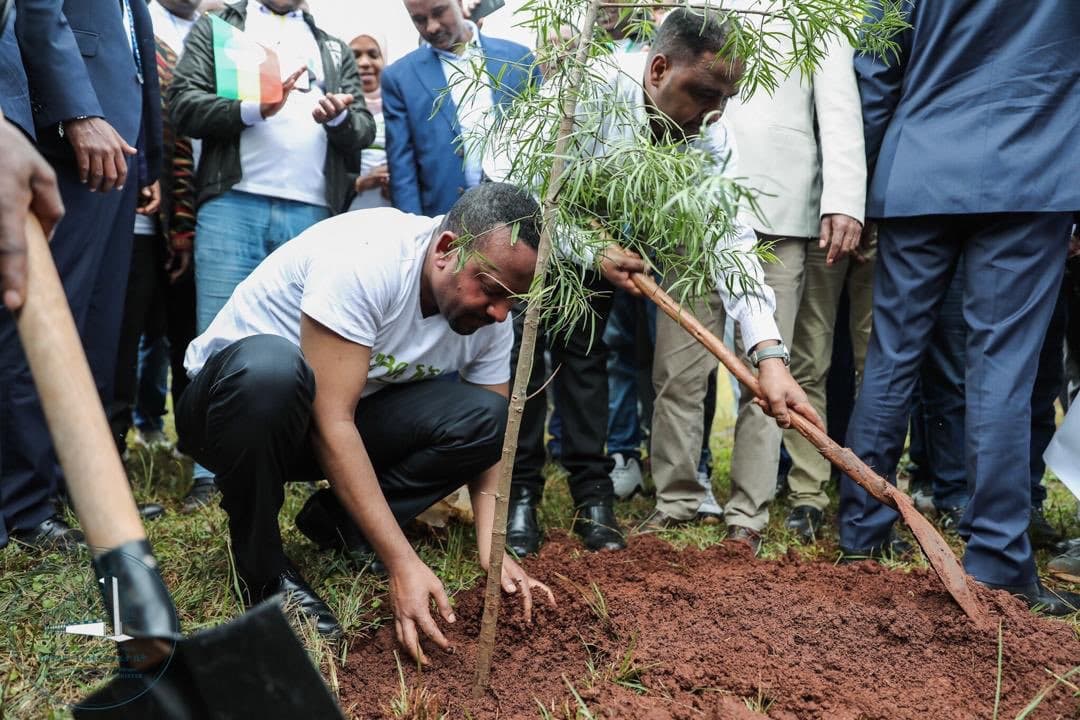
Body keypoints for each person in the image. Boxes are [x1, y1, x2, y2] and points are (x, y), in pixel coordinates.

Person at [491, 8, 821, 558]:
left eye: (725, 98)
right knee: (523, 357)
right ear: (659, 68)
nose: (714, 112)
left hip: (601, 248)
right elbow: (518, 184)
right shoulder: (586, 92)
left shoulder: (709, 133)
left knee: (586, 357)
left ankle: (591, 491)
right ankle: (520, 488)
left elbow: (730, 243)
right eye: (705, 92)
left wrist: (769, 355)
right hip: (530, 236)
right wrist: (588, 247)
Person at [175, 182, 553, 655]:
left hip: (331, 422)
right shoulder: (367, 259)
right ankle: (261, 567)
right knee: (272, 370)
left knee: (486, 417)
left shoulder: (490, 315)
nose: (500, 313)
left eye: (513, 301)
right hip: (231, 412)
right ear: (446, 250)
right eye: (492, 290)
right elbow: (331, 421)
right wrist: (402, 562)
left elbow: (491, 433)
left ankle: (339, 525)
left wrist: (491, 546)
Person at [841, 1, 1080, 615]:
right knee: (1002, 369)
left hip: (919, 167)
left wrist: (860, 185)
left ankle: (862, 535)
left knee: (892, 356)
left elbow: (875, 66)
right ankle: (997, 560)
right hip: (1036, 170)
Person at [169, 0, 376, 510]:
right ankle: (207, 471)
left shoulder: (329, 44)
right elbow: (182, 103)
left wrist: (340, 119)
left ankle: (295, 463)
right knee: (220, 331)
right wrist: (250, 108)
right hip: (232, 202)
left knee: (309, 344)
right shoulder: (223, 29)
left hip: (312, 213)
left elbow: (365, 128)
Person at [1, 0, 162, 549]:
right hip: (68, 137)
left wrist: (150, 161)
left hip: (118, 151)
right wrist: (76, 111)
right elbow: (37, 9)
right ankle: (22, 505)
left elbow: (135, 52)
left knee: (98, 329)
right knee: (46, 322)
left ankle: (79, 486)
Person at [722, 2, 868, 547]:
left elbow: (839, 111)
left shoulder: (817, 12)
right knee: (769, 361)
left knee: (804, 358)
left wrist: (845, 201)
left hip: (798, 209)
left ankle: (808, 491)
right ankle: (742, 505)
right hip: (719, 207)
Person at [109, 0, 202, 478]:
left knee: (189, 335)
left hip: (194, 213)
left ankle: (193, 441)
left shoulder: (217, 32)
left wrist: (183, 222)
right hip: (139, 213)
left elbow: (186, 143)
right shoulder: (137, 24)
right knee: (125, 335)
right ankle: (112, 451)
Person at [382, 0, 539, 216]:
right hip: (445, 220)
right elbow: (402, 172)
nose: (432, 27)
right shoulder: (400, 78)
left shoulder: (518, 59)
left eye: (439, 12)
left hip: (520, 215)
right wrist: (417, 231)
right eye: (418, 20)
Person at [347, 32, 391, 212]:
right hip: (345, 213)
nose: (364, 63)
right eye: (355, 55)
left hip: (391, 211)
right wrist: (359, 183)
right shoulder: (333, 108)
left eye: (373, 55)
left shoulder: (400, 106)